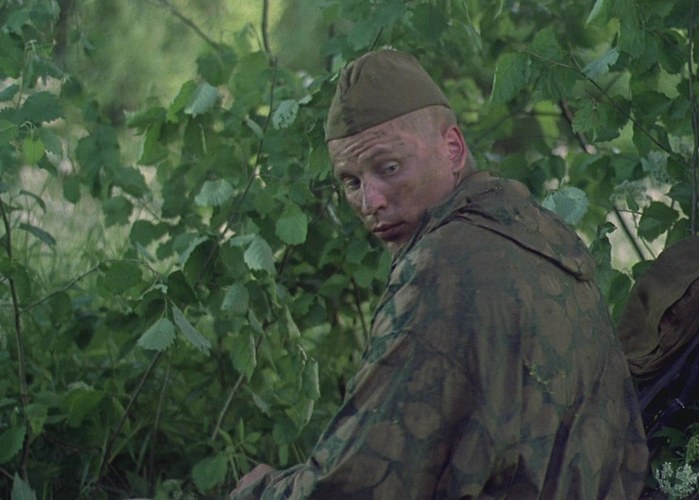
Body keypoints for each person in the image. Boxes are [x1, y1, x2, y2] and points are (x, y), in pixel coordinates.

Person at [230, 49, 648, 499]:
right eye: (351, 182)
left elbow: (357, 485)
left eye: (390, 168)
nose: (370, 202)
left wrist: (259, 491)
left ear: (453, 148)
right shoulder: (537, 227)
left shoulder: (442, 266)